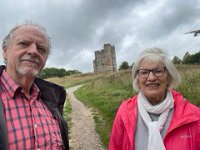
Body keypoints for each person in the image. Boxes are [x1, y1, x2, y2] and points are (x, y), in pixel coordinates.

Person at [109, 48, 200, 150]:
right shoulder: (124, 112)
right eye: (144, 72)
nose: (151, 78)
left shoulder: (194, 116)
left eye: (158, 71)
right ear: (137, 81)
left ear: (168, 79)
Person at [0, 22, 69, 150]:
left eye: (41, 49)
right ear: (5, 52)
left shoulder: (52, 99)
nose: (33, 51)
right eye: (24, 43)